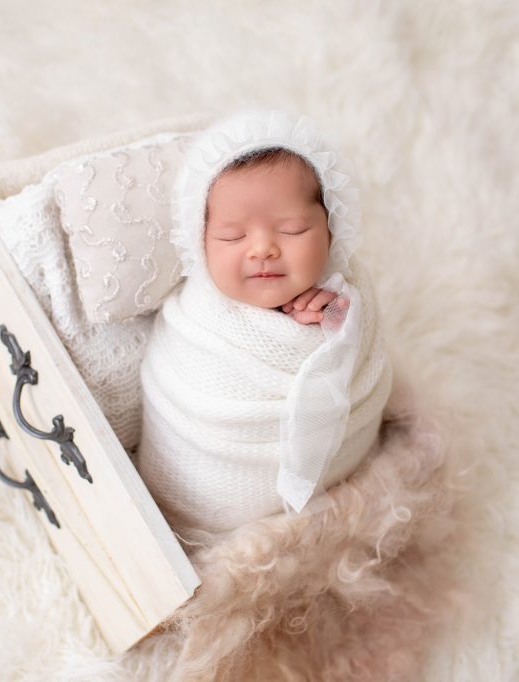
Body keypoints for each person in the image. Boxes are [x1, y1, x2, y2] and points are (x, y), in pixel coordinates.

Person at [137, 110, 392, 534]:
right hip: (191, 498)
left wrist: (331, 324)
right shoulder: (197, 321)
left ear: (332, 231)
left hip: (328, 512)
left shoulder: (344, 292)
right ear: (198, 244)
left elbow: (352, 359)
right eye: (233, 236)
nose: (262, 249)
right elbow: (180, 396)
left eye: (291, 229)